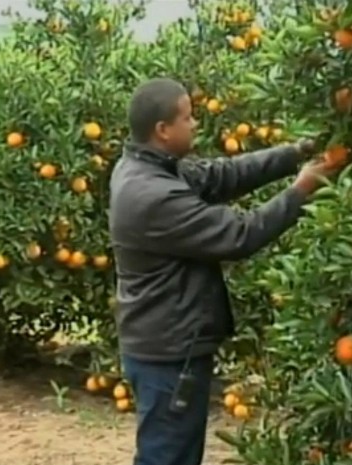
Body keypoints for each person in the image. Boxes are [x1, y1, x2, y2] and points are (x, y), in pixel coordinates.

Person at [109, 77, 337, 465]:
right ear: (163, 130)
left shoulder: (154, 168)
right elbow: (239, 235)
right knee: (166, 457)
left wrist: (298, 152)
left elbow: (223, 175)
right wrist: (303, 190)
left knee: (176, 453)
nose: (196, 123)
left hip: (168, 341)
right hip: (168, 352)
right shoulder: (152, 194)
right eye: (187, 117)